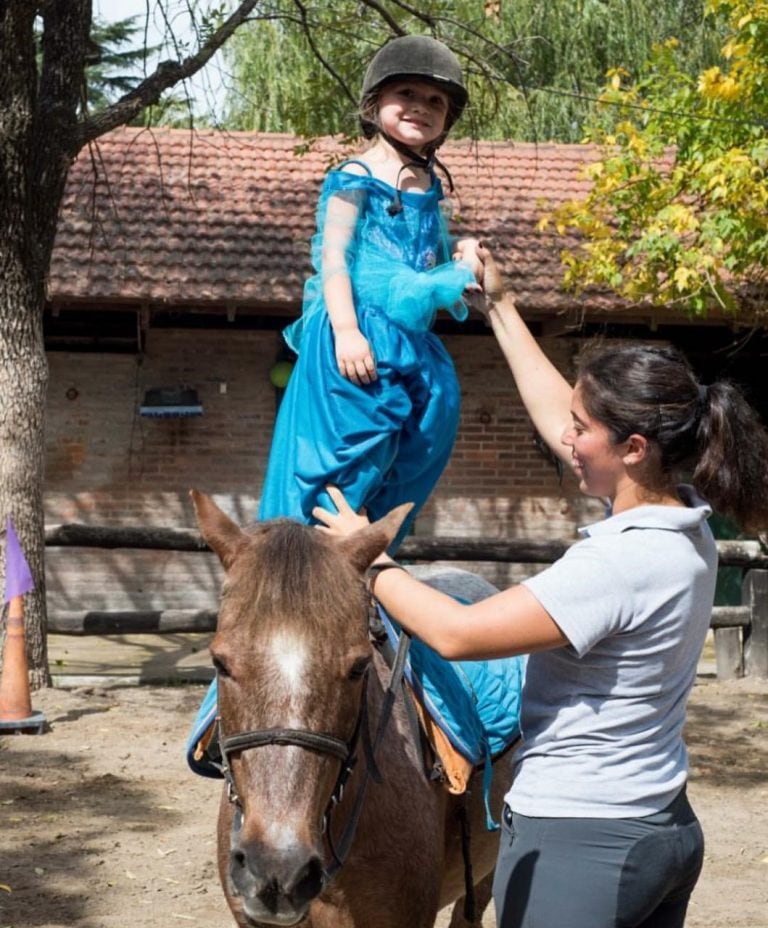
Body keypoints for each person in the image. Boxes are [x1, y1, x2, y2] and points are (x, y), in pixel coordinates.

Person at [313, 248, 768, 928]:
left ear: (635, 448)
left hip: (582, 844)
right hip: (659, 825)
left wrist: (368, 560)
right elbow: (569, 419)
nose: (567, 437)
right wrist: (500, 306)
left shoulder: (620, 562)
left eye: (583, 430)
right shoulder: (685, 519)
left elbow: (457, 634)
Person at [258, 35, 481, 549]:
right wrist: (347, 331)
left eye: (435, 102)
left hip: (409, 342)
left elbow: (428, 262)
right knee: (349, 449)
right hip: (356, 333)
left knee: (419, 442)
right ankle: (305, 557)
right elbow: (333, 257)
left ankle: (367, 560)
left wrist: (463, 254)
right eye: (406, 93)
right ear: (374, 102)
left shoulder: (429, 185)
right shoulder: (354, 175)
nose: (420, 108)